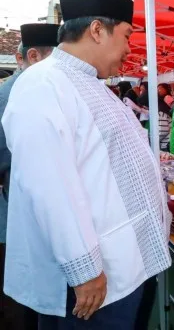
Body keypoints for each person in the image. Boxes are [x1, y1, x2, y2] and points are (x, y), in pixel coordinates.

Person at [1, 0, 171, 329]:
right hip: (94, 284)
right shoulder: (42, 84)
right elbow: (50, 189)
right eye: (125, 36)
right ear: (96, 30)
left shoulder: (91, 83)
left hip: (124, 268)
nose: (128, 49)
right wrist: (85, 271)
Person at [0, 23, 58, 329]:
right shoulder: (12, 94)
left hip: (29, 213)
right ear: (32, 56)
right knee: (18, 303)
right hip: (11, 215)